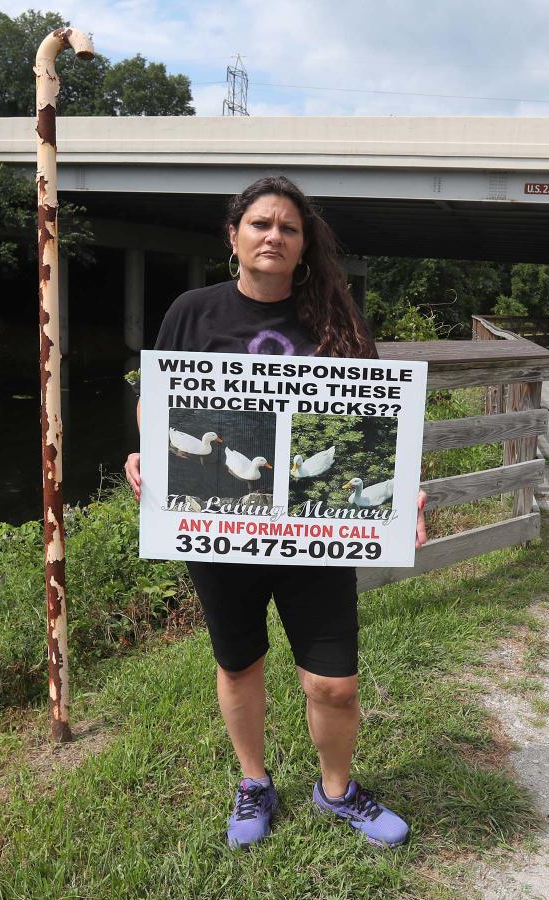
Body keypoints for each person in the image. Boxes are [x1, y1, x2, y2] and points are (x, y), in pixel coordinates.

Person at [124, 175, 427, 850]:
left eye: (288, 228)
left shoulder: (336, 319)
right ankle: (254, 782)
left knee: (336, 682)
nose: (273, 236)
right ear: (233, 236)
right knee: (239, 664)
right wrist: (144, 453)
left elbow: (380, 423)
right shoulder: (192, 312)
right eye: (261, 224)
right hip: (221, 529)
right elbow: (158, 400)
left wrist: (406, 489)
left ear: (304, 244)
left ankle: (337, 790)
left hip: (315, 532)